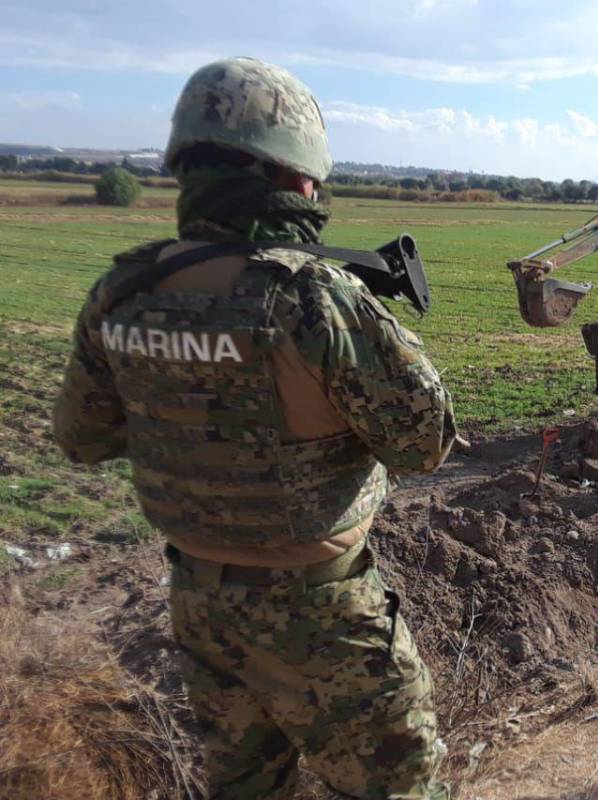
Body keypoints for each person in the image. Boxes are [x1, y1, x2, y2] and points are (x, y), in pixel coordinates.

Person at [52, 57, 456, 799]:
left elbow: (82, 438)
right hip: (320, 610)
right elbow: (423, 445)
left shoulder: (123, 291)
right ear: (299, 174)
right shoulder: (313, 298)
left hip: (199, 601)